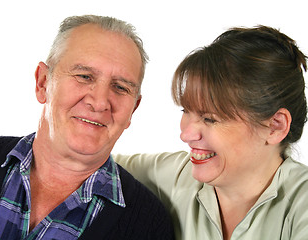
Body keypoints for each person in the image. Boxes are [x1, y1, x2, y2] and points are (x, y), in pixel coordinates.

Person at [0, 15, 174, 240]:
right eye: (84, 76)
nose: (99, 102)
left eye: (120, 87)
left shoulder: (149, 225)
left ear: (132, 110)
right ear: (43, 83)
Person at [114, 26, 308, 240]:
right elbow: (89, 167)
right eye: (185, 111)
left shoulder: (302, 204)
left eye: (210, 119)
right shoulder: (176, 177)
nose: (186, 135)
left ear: (275, 126)